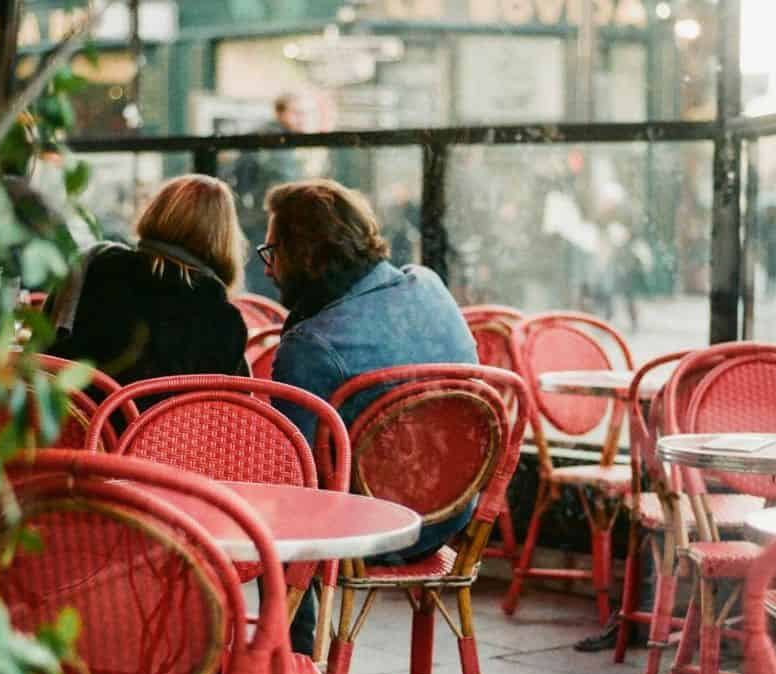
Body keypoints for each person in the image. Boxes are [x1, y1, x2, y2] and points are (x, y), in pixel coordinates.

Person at [263, 178, 479, 559]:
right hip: (453, 514)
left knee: (270, 508)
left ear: (303, 254)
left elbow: (291, 477)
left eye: (272, 253)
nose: (267, 271)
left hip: (371, 532)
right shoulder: (430, 285)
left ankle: (286, 605)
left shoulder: (311, 346)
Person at [44, 174, 249, 397]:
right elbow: (230, 408)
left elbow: (41, 349)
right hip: (163, 422)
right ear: (225, 237)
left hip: (74, 416)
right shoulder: (223, 318)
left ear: (155, 211)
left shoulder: (92, 265)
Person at [230, 93, 306, 298]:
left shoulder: (280, 142)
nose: (302, 119)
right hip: (266, 221)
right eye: (297, 113)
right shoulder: (275, 144)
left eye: (305, 113)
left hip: (262, 220)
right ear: (281, 113)